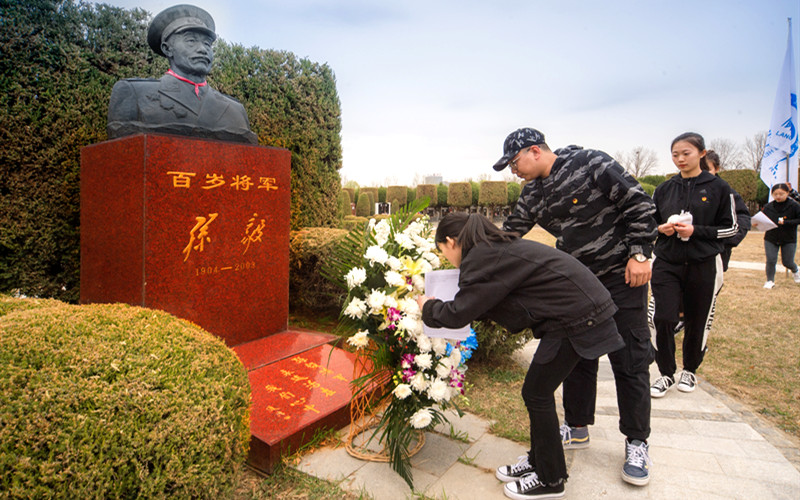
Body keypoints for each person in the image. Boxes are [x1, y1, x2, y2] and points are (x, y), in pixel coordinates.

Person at [417, 212, 625, 500]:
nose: (446, 258)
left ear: (451, 242)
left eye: (443, 250)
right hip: (577, 313)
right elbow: (484, 302)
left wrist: (428, 307)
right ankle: (540, 462)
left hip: (579, 318)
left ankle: (550, 480)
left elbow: (459, 312)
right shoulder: (491, 251)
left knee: (537, 394)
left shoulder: (482, 258)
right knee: (536, 393)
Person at [495, 128, 657, 486]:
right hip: (579, 286)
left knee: (629, 360)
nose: (513, 170)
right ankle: (577, 426)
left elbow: (639, 203)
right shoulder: (533, 193)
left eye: (514, 161)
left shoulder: (589, 163)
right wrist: (466, 252)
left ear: (534, 150)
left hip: (623, 276)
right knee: (578, 358)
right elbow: (508, 235)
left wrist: (640, 252)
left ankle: (636, 441)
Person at [649, 133, 738, 398]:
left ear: (701, 153)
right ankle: (665, 373)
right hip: (667, 261)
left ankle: (690, 370)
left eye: (685, 153)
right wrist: (660, 229)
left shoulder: (720, 188)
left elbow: (731, 228)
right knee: (662, 317)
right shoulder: (664, 189)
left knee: (697, 319)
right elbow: (648, 224)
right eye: (675, 154)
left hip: (703, 262)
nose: (679, 159)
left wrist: (696, 231)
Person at [107, 4, 257, 144]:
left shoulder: (235, 109)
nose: (202, 49)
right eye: (191, 41)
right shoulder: (135, 93)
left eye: (207, 44)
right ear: (167, 49)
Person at [705, 151, 751, 271]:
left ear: (716, 169)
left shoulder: (726, 192)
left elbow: (742, 217)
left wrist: (725, 241)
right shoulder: (682, 188)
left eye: (708, 169)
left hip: (717, 251)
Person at [761, 183, 800, 289]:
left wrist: (787, 222)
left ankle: (796, 270)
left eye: (781, 194)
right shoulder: (768, 207)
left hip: (788, 238)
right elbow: (763, 219)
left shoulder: (794, 206)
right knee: (771, 260)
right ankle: (770, 280)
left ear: (787, 193)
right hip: (771, 237)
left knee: (787, 262)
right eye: (775, 194)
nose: (778, 196)